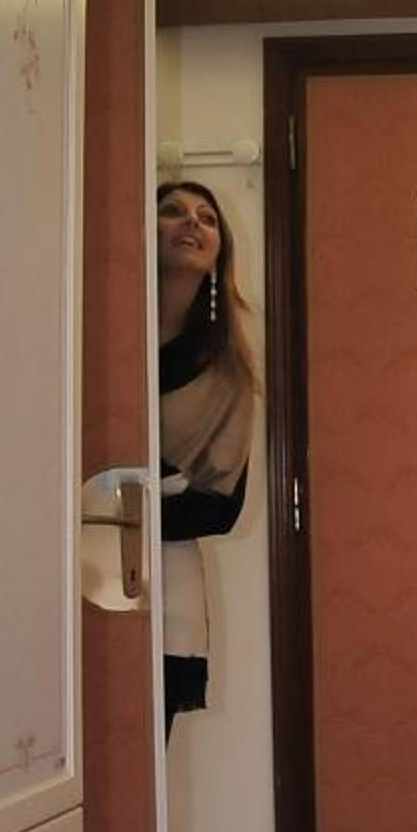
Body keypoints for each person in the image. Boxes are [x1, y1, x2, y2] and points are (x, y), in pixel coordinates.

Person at [157, 178, 259, 732]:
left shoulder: (227, 373)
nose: (191, 222)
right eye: (172, 210)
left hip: (162, 584)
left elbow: (220, 508)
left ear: (220, 252)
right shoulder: (91, 339)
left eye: (207, 217)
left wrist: (126, 509)